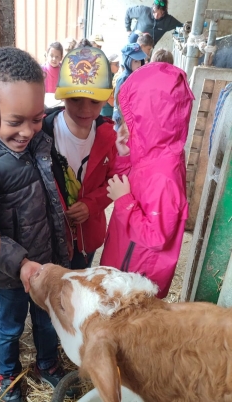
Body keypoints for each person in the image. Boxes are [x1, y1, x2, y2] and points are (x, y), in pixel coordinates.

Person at [0, 47, 71, 402]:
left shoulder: (41, 144)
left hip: (46, 262)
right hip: (10, 272)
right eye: (16, 121)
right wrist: (21, 263)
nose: (28, 130)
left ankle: (48, 364)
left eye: (37, 118)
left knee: (46, 319)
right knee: (10, 327)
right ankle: (9, 377)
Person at [101, 62, 194, 299]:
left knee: (128, 332)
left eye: (130, 121)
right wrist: (125, 154)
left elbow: (156, 237)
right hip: (125, 263)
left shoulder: (164, 177)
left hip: (137, 282)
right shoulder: (152, 154)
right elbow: (134, 178)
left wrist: (123, 202)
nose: (122, 127)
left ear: (149, 120)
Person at [42, 47, 117, 269]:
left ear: (105, 99)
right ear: (63, 95)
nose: (85, 109)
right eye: (75, 99)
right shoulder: (43, 133)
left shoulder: (109, 137)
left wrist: (92, 204)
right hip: (48, 237)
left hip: (87, 237)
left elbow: (116, 179)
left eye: (94, 102)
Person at [112, 43, 147, 130]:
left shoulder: (138, 76)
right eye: (135, 61)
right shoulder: (123, 79)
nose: (139, 64)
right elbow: (119, 102)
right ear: (127, 60)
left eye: (140, 61)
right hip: (122, 120)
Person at [101, 53, 120, 118]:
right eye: (116, 64)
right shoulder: (105, 77)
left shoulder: (114, 76)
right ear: (109, 64)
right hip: (106, 113)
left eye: (119, 64)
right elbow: (108, 98)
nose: (118, 66)